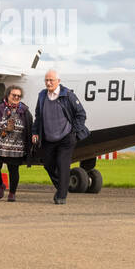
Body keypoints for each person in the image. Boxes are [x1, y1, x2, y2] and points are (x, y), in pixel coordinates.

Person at [31, 69, 88, 205]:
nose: (48, 83)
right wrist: (35, 132)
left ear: (58, 81)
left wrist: (73, 132)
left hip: (66, 137)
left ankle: (61, 195)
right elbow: (38, 116)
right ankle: (63, 185)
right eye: (46, 80)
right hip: (48, 138)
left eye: (51, 80)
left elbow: (81, 114)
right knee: (48, 164)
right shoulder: (42, 95)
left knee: (63, 165)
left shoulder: (68, 95)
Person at [0, 84, 33, 202]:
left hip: (16, 146)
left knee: (13, 170)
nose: (16, 97)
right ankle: (0, 185)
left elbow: (31, 127)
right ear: (7, 95)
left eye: (18, 96)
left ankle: (12, 193)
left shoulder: (25, 111)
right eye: (14, 95)